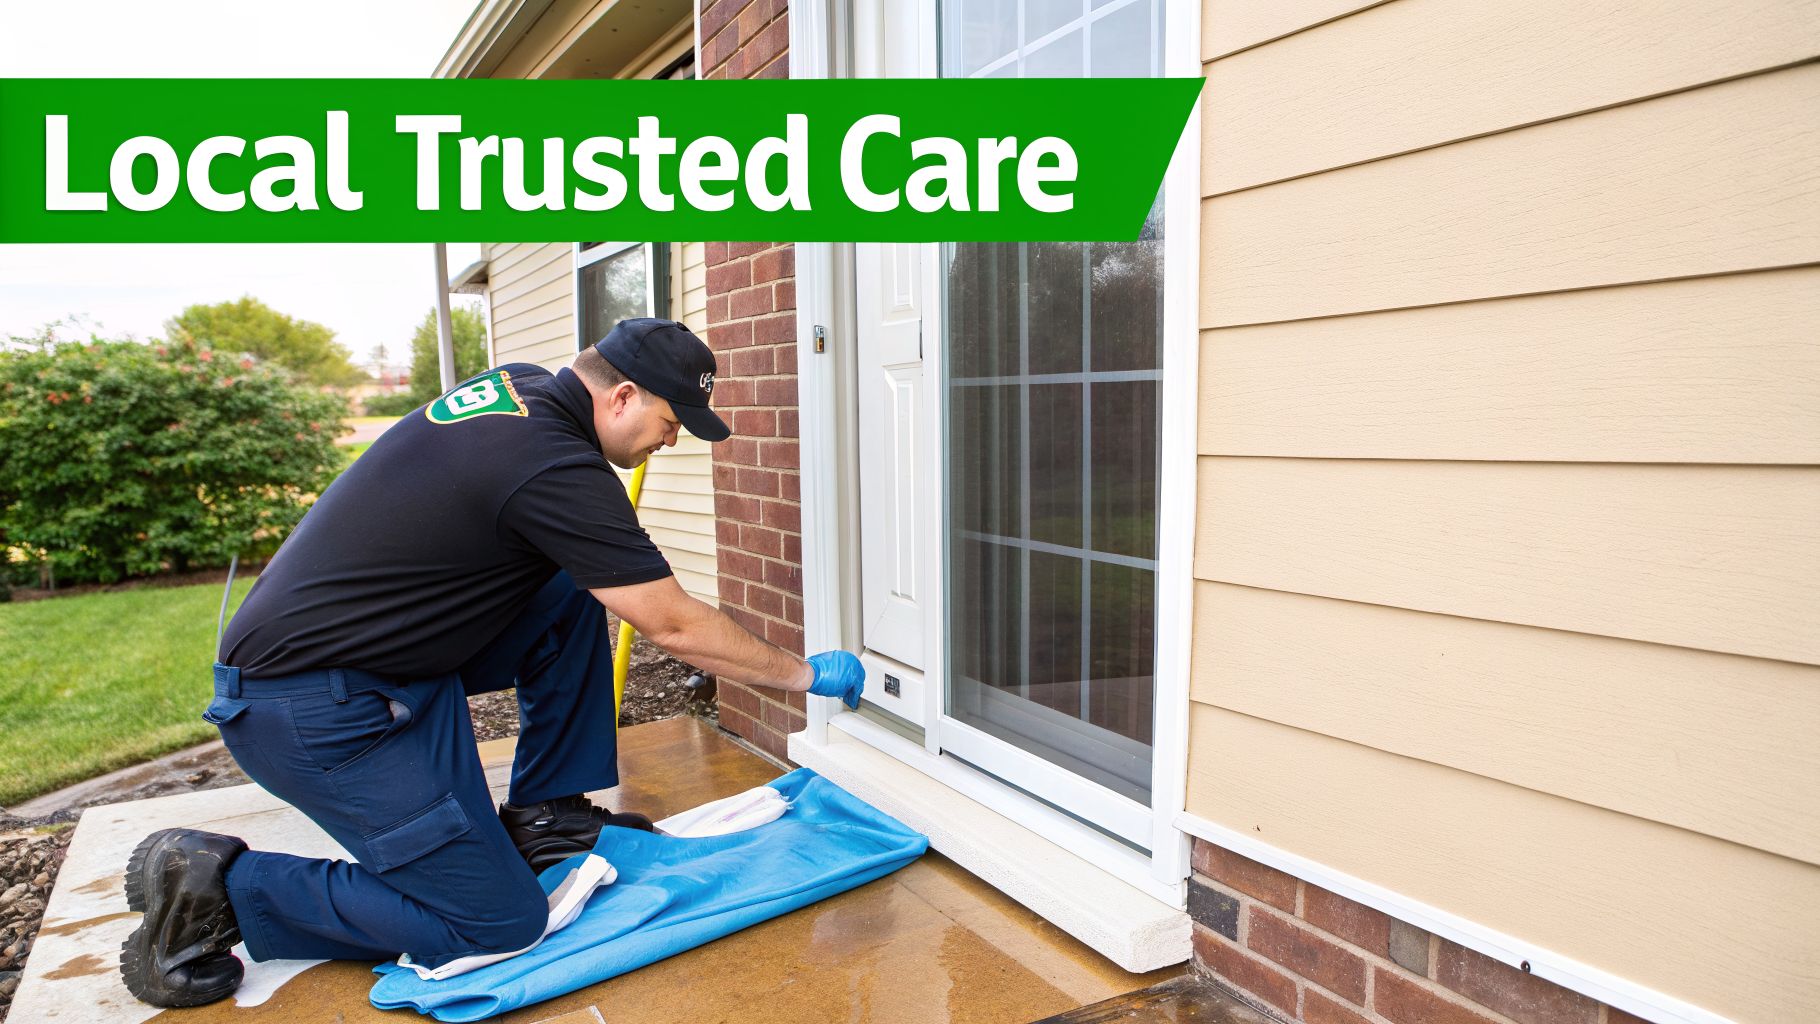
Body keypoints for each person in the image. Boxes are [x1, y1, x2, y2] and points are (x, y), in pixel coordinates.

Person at [117, 318, 866, 1008]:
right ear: (625, 396)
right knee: (497, 921)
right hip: (314, 710)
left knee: (575, 589)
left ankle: (546, 813)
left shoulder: (525, 390)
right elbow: (672, 622)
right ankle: (219, 886)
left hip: (377, 663)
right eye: (670, 424)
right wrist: (805, 676)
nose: (669, 443)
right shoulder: (555, 466)